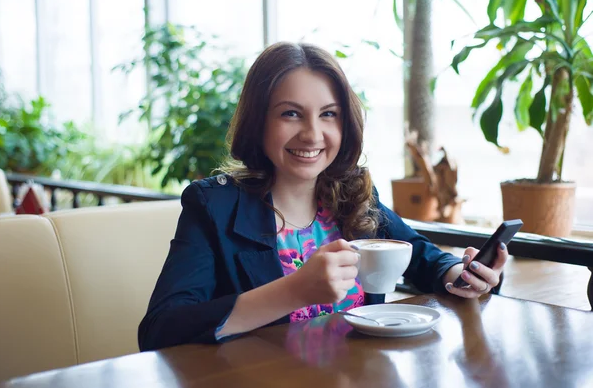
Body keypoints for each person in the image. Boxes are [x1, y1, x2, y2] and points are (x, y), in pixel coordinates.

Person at [138, 42, 508, 351]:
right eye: (291, 114)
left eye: (328, 114)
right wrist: (294, 291)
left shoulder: (353, 195)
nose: (312, 134)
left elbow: (423, 257)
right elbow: (160, 330)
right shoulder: (213, 206)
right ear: (258, 121)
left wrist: (462, 274)